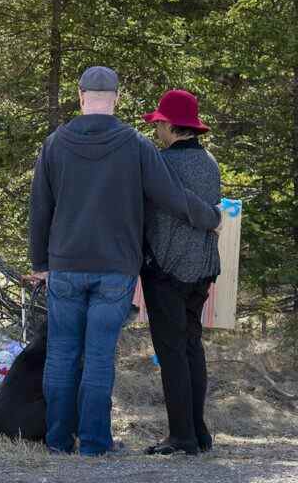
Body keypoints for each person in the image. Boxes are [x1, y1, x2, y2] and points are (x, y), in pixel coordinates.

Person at [28, 66, 221, 457]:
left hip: (64, 264)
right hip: (115, 269)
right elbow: (171, 197)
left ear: (81, 95)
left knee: (62, 353)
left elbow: (40, 208)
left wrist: (40, 262)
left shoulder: (54, 144)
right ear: (116, 96)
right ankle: (96, 444)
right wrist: (212, 217)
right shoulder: (135, 144)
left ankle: (58, 441)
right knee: (99, 355)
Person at [141, 89, 220, 456]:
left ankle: (182, 437)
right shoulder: (211, 163)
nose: (157, 129)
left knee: (171, 352)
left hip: (167, 270)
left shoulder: (161, 164)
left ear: (173, 127)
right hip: (202, 271)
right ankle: (199, 432)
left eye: (159, 123)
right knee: (191, 347)